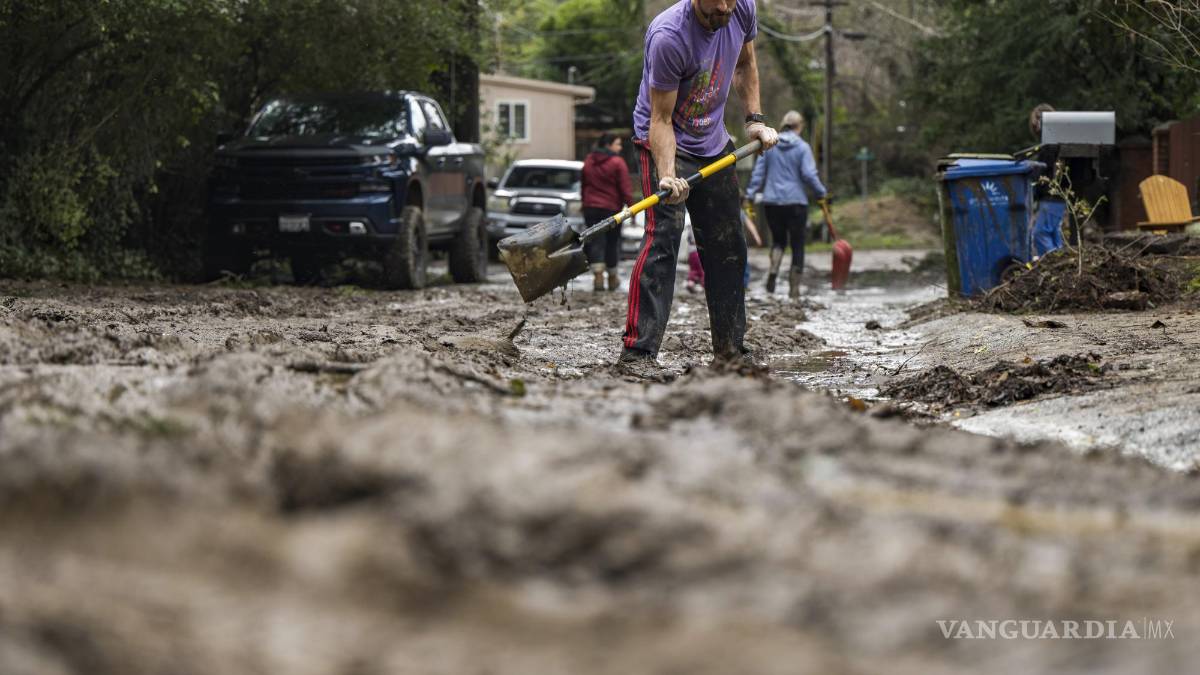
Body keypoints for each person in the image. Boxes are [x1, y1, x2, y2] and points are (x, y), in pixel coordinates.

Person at [619, 0, 779, 373]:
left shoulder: (742, 9)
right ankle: (638, 354)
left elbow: (745, 64)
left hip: (712, 141)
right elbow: (660, 119)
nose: (723, 7)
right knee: (664, 239)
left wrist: (754, 119)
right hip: (663, 139)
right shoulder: (668, 36)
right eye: (714, 1)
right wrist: (668, 174)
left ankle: (730, 352)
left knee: (729, 244)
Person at [745, 110, 826, 299]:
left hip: (772, 202)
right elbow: (809, 174)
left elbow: (759, 173)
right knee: (798, 245)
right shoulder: (803, 147)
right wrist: (821, 193)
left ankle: (774, 269)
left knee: (778, 241)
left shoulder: (770, 144)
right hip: (796, 202)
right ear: (800, 126)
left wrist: (750, 194)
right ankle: (794, 289)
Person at [581, 132, 634, 291]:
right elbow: (625, 188)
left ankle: (598, 277)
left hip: (590, 208)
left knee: (595, 241)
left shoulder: (589, 161)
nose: (620, 147)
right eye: (617, 144)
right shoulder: (617, 163)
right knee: (612, 242)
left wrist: (585, 203)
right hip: (611, 209)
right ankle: (612, 277)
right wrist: (631, 207)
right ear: (608, 145)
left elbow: (584, 184)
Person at [1029, 103, 1066, 256]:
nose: (1034, 125)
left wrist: (1035, 191)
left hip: (1052, 197)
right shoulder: (1055, 143)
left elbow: (1044, 171)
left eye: (1036, 120)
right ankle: (1063, 265)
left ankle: (1056, 266)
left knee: (1040, 233)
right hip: (1058, 196)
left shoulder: (1050, 146)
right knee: (1053, 233)